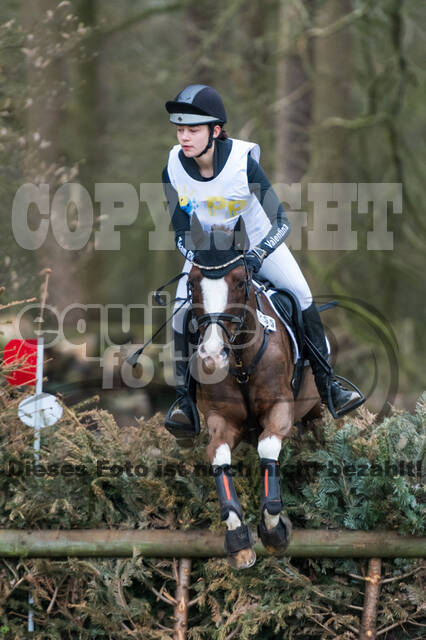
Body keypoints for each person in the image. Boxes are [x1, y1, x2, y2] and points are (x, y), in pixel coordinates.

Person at [162, 84, 364, 434]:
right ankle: (184, 401)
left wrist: (255, 256)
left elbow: (281, 223)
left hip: (258, 244)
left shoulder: (243, 164)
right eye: (181, 130)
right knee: (180, 312)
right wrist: (198, 257)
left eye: (193, 130)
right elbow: (180, 229)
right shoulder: (173, 167)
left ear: (216, 130)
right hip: (207, 254)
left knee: (300, 295)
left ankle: (329, 385)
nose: (184, 138)